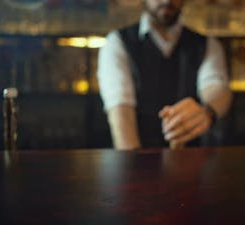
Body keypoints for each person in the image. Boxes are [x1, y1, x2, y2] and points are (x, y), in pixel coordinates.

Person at [97, 0, 232, 150]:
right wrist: (133, 166)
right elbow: (120, 109)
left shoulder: (208, 44)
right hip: (137, 159)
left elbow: (217, 87)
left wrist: (207, 112)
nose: (167, 0)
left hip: (194, 162)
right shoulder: (117, 42)